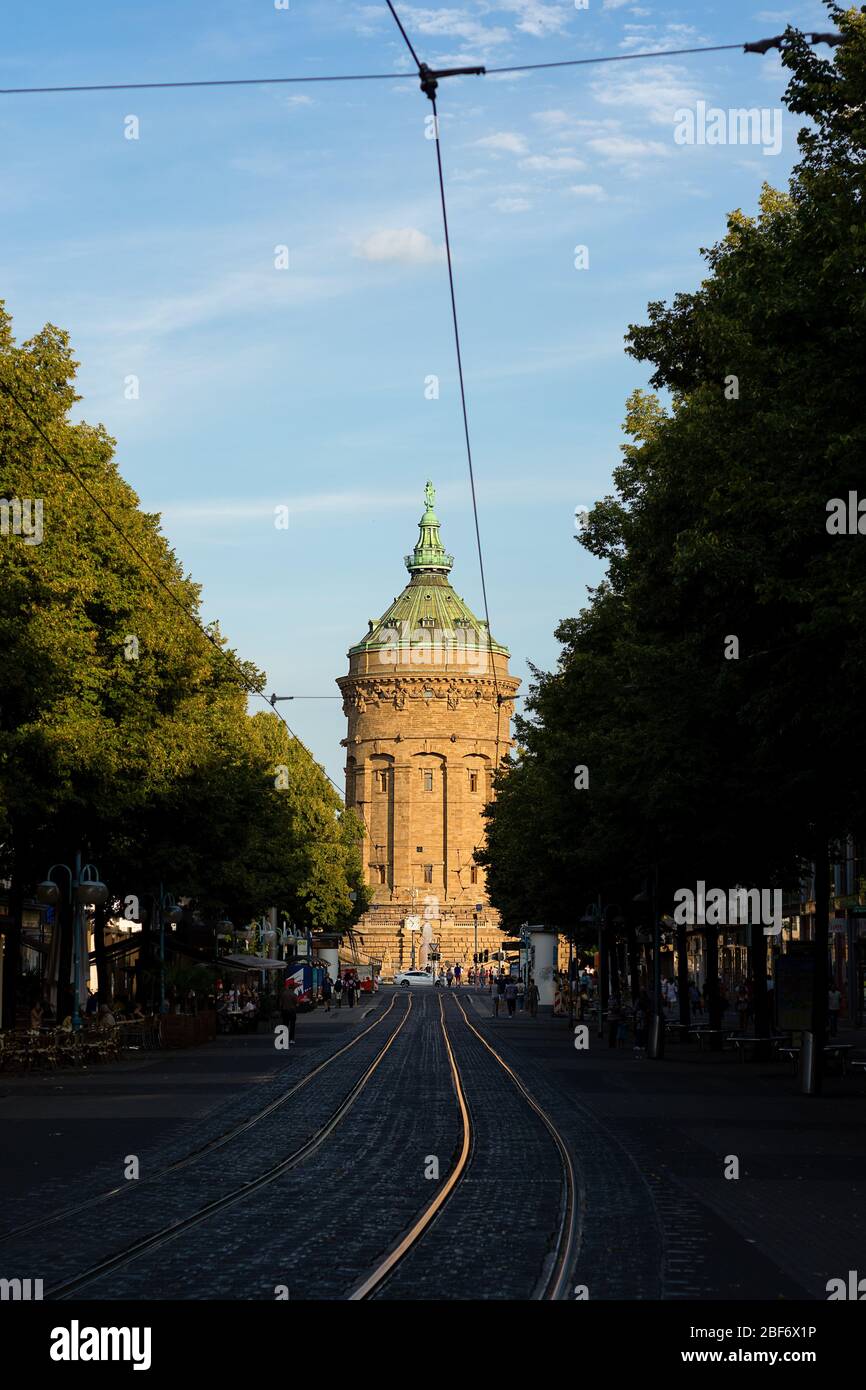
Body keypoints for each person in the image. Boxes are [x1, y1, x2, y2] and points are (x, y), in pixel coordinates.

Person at [279, 979, 298, 1045]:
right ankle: (291, 1039)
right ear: (293, 988)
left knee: (285, 1025)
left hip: (285, 1011)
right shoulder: (294, 995)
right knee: (292, 1025)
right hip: (292, 1011)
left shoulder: (283, 994)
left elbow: (280, 1004)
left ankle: (283, 1038)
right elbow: (297, 1003)